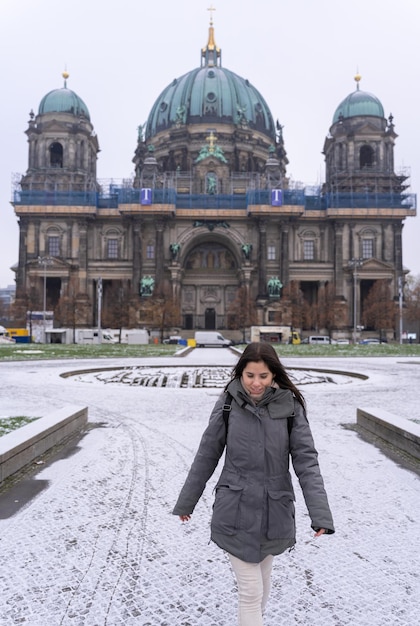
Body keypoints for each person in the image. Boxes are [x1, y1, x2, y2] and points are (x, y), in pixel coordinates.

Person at [173, 342, 334, 625]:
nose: (256, 383)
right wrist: (188, 501)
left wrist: (320, 514)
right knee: (250, 591)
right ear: (240, 374)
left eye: (263, 376)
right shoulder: (228, 402)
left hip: (274, 511)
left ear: (274, 375)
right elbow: (207, 454)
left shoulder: (291, 407)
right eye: (250, 376)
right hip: (235, 511)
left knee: (263, 583)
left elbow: (306, 462)